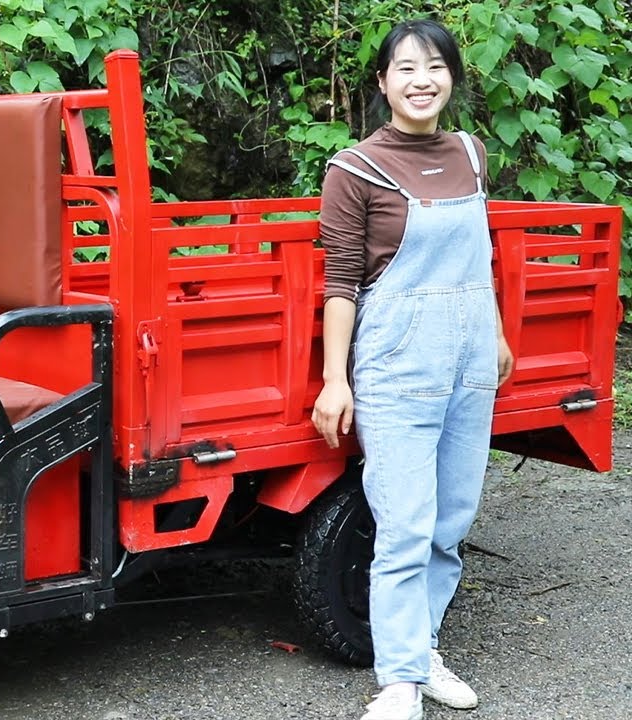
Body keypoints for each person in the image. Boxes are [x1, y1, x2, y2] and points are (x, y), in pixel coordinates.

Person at [311, 18, 514, 720]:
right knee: (403, 524)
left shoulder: (471, 153)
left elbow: (481, 255)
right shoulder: (353, 169)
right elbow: (341, 282)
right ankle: (398, 681)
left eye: (434, 67)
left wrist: (495, 333)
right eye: (406, 68)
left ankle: (423, 651)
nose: (421, 80)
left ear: (451, 77)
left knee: (449, 523)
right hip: (397, 364)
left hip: (469, 361)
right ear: (383, 82)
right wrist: (334, 379)